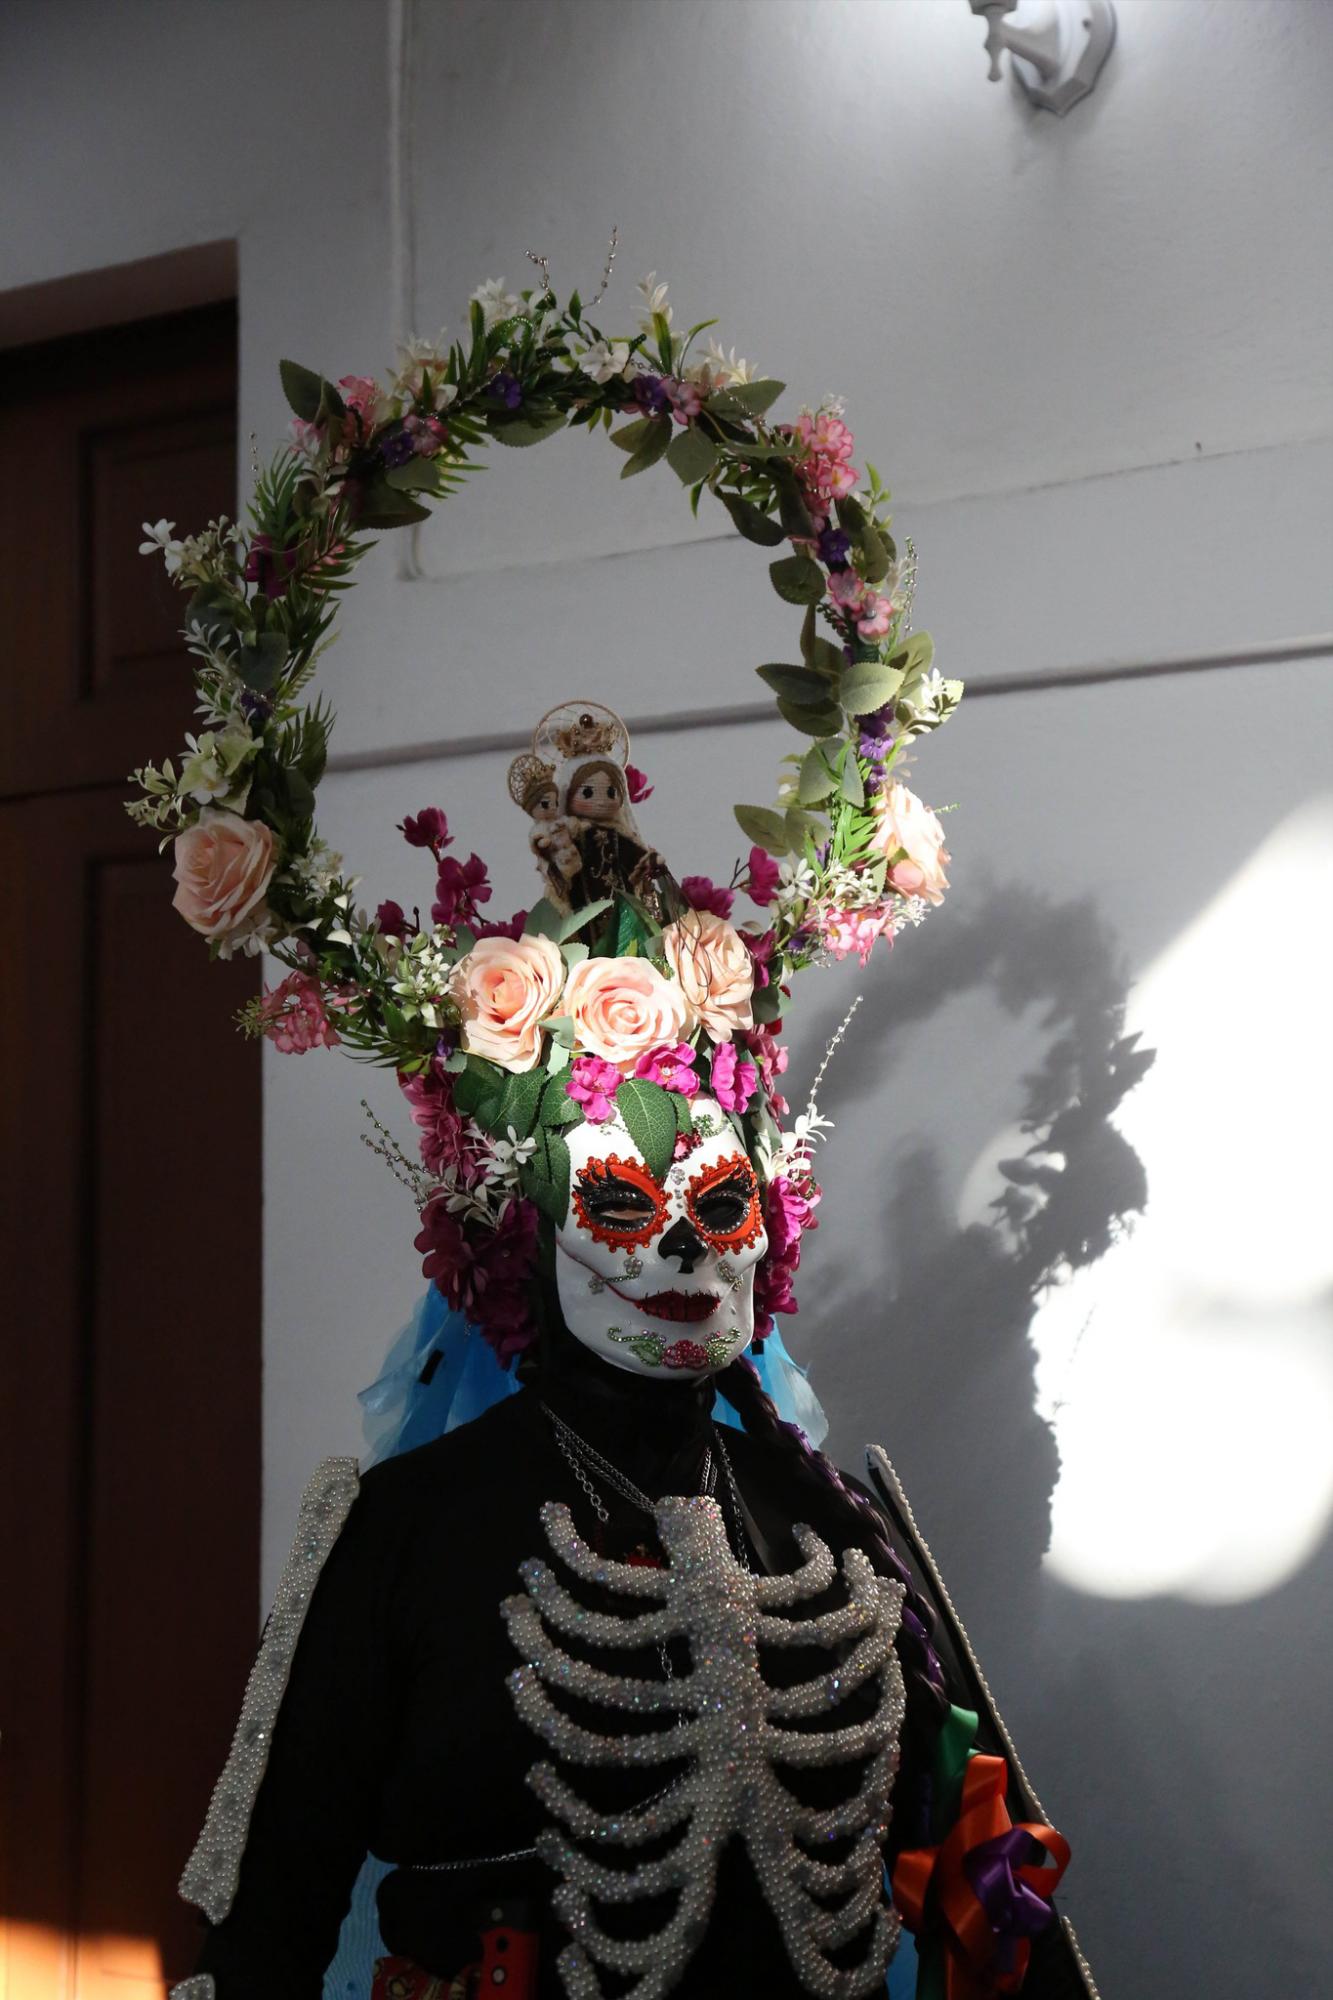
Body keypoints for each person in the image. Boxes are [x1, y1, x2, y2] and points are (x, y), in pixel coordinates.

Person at [168, 705, 1094, 2000]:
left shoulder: (834, 1525)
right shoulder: (406, 1529)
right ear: (521, 1236)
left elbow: (987, 1901)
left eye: (717, 1208)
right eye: (615, 1207)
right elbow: (269, 1931)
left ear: (766, 1223)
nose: (675, 1254)